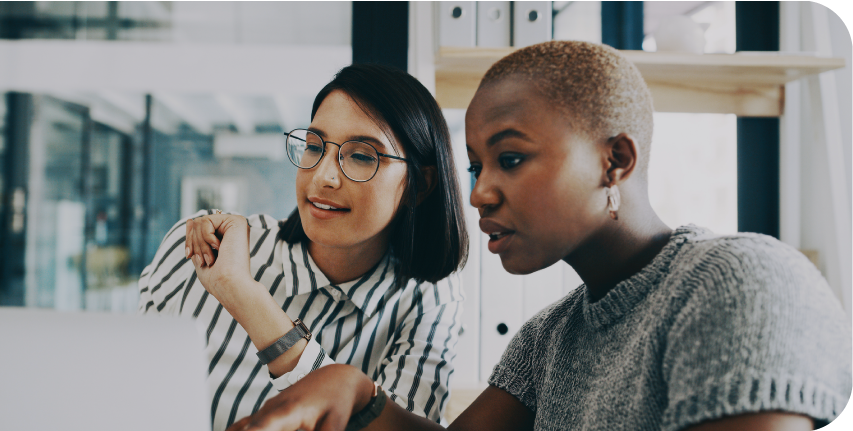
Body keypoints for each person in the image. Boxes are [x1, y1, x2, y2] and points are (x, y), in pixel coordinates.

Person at [226, 41, 853, 431]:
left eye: (512, 159)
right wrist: (355, 392)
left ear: (616, 162)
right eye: (475, 166)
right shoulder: (549, 339)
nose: (478, 193)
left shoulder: (738, 279)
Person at [137, 63, 469, 431]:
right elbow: (130, 396)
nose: (323, 176)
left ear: (419, 186)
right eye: (314, 146)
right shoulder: (201, 247)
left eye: (361, 156)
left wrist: (243, 296)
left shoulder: (427, 300)